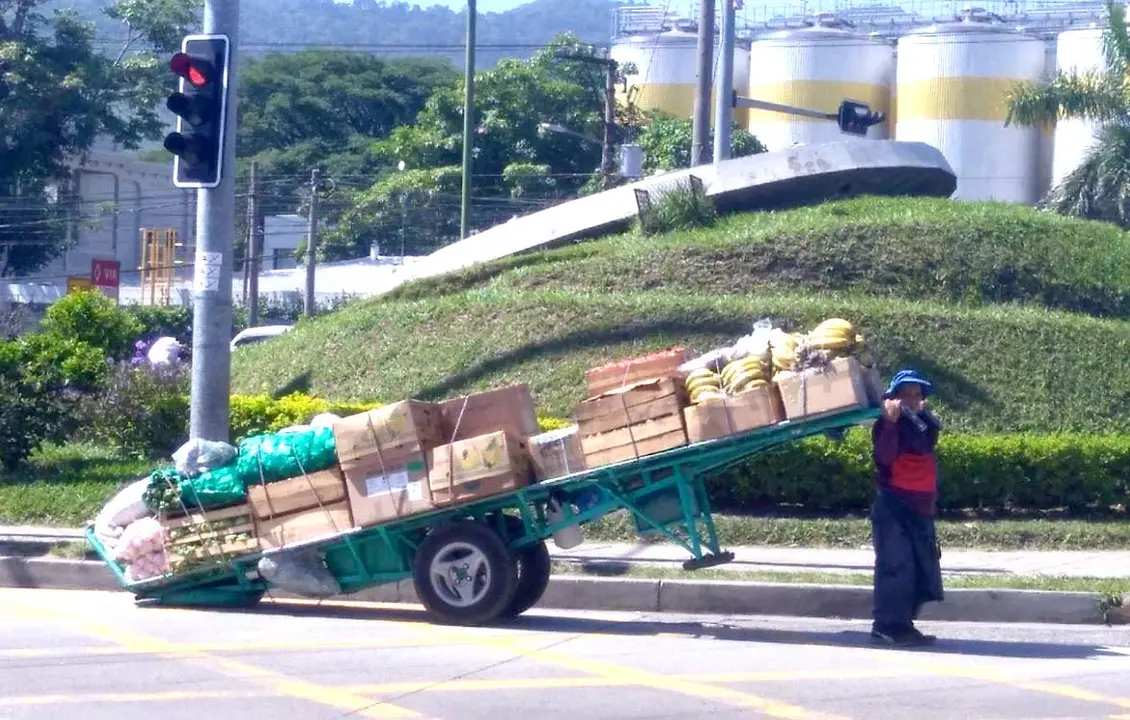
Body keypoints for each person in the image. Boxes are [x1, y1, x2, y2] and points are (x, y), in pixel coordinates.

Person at [870, 369, 945, 647]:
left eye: (917, 394)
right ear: (894, 397)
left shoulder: (923, 423)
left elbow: (928, 443)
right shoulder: (887, 424)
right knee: (895, 567)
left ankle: (903, 624)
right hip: (894, 507)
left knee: (918, 569)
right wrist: (890, 422)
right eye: (906, 394)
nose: (912, 399)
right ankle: (886, 626)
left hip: (920, 509)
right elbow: (884, 456)